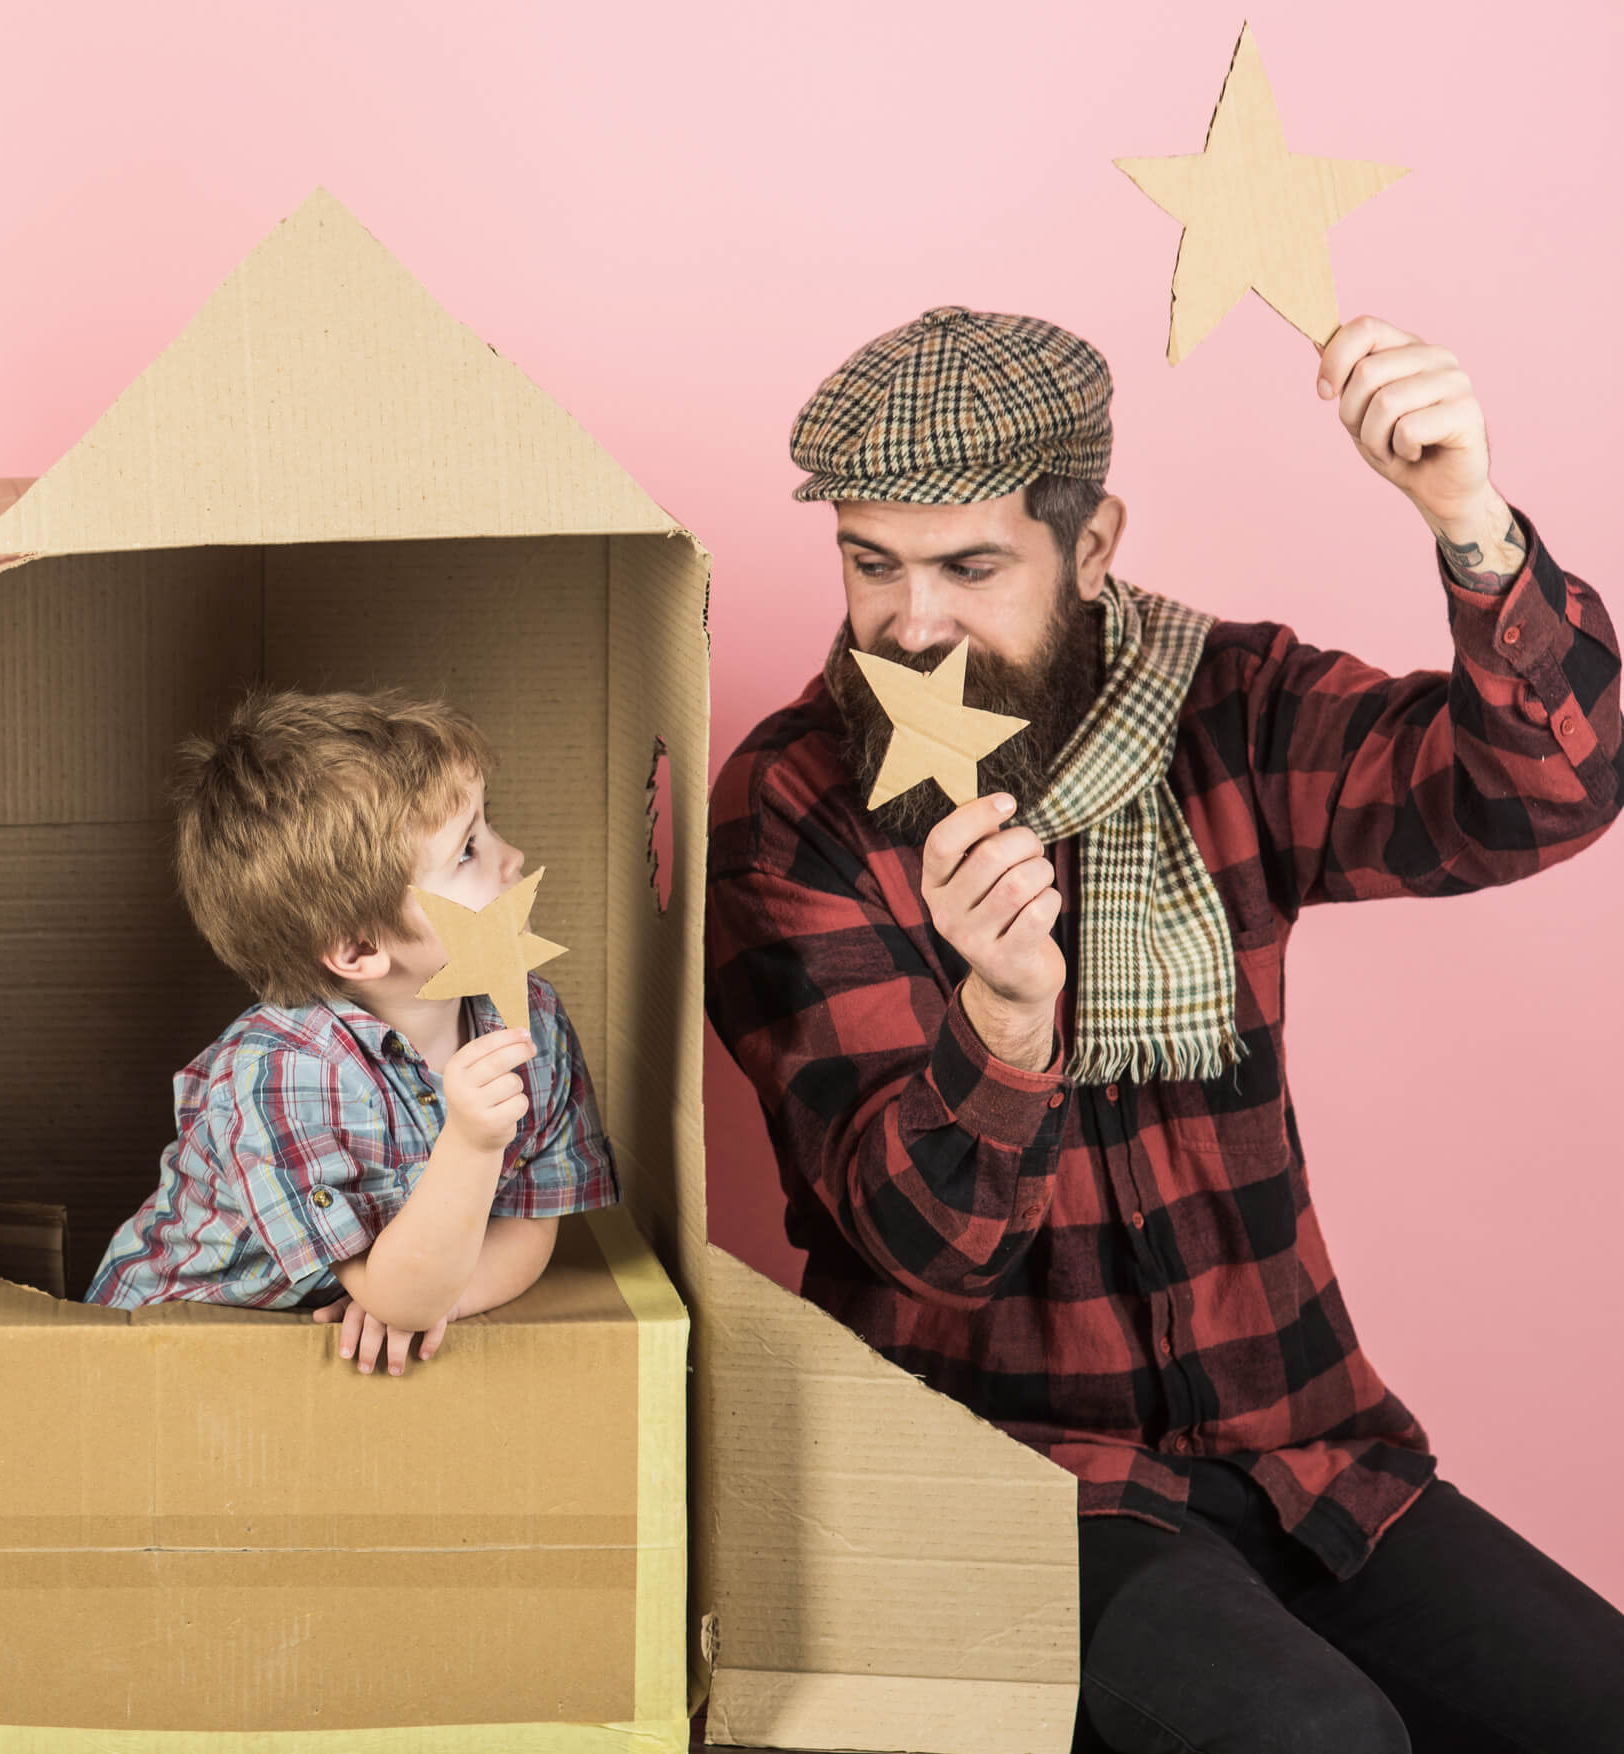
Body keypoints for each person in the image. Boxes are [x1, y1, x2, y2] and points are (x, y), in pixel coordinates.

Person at [705, 305, 1624, 1751]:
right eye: (872, 563)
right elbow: (920, 1245)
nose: (912, 625)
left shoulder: (1224, 706)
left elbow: (1538, 795)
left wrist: (1470, 523)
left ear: (1093, 545)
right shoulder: (796, 802)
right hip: (1004, 1477)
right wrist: (1004, 1023)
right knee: (1315, 1735)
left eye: (969, 567)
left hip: (1300, 1447)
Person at [85, 688, 618, 1379]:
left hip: (338, 1341)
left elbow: (530, 1223)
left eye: (489, 825)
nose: (512, 858)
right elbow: (397, 1291)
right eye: (467, 851)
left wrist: (439, 1302)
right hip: (166, 1346)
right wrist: (471, 1143)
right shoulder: (281, 1074)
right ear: (362, 949)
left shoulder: (530, 1018)